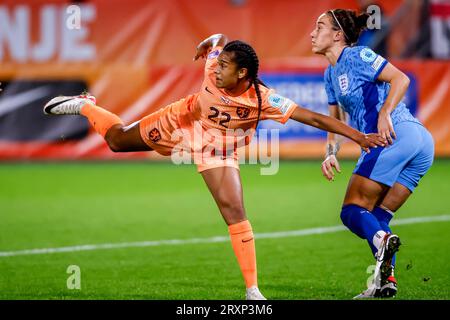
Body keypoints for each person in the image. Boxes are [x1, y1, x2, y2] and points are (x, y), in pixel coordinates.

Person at [43, 34, 385, 300]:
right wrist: (212, 43)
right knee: (117, 141)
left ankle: (252, 291)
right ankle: (88, 107)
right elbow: (215, 44)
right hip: (180, 122)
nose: (216, 69)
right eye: (217, 63)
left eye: (224, 66)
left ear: (243, 73)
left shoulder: (263, 100)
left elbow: (312, 116)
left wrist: (357, 136)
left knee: (234, 209)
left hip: (218, 150)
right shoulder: (213, 67)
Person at [310, 10, 434, 298]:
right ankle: (384, 282)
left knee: (352, 211)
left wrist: (384, 113)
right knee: (376, 218)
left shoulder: (357, 56)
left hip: (393, 136)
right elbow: (335, 122)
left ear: (338, 35)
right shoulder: (330, 74)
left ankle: (383, 247)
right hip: (415, 143)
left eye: (320, 27)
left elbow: (401, 79)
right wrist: (331, 152)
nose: (312, 33)